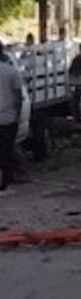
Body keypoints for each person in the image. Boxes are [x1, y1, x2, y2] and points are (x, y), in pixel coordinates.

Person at [0, 39, 25, 195]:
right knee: (7, 151)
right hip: (8, 118)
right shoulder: (11, 71)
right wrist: (17, 113)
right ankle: (5, 184)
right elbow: (18, 96)